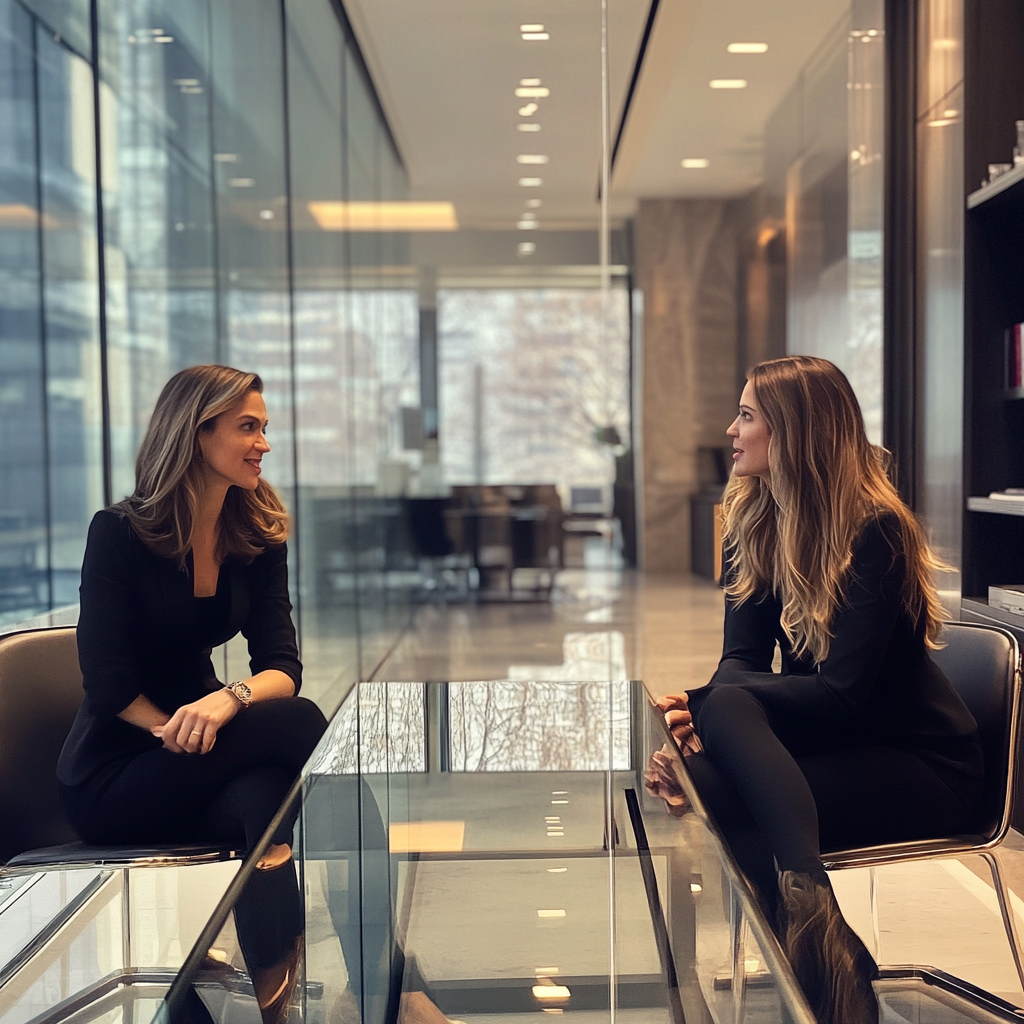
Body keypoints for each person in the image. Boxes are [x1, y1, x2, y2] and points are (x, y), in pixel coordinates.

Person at [649, 356, 983, 1024]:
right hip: (839, 744)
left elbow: (841, 694)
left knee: (720, 765)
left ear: (795, 434)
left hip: (922, 765)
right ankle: (816, 949)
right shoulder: (754, 524)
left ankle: (804, 946)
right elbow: (738, 662)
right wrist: (701, 722)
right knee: (713, 760)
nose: (731, 429)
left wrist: (707, 709)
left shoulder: (876, 533)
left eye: (746, 416)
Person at [57, 365, 328, 1024]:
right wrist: (177, 730)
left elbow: (280, 666)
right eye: (247, 427)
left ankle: (277, 1011)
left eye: (263, 427)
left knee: (266, 796)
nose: (263, 442)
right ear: (195, 433)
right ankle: (398, 983)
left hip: (205, 750)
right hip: (118, 773)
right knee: (306, 724)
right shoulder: (117, 535)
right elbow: (108, 682)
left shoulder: (257, 536)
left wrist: (227, 702)